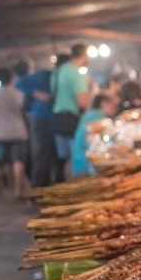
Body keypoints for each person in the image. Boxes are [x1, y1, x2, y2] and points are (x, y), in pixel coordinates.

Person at [16, 56, 63, 188]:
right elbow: (20, 85)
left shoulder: (32, 79)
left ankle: (44, 187)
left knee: (46, 155)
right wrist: (37, 94)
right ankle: (40, 188)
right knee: (46, 155)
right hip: (45, 119)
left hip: (42, 119)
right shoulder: (42, 75)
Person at [0, 68, 29, 198]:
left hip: (1, 133)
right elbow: (25, 114)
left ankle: (5, 186)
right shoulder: (19, 94)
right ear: (11, 78)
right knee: (18, 160)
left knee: (5, 160)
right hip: (19, 131)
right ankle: (18, 189)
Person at [52, 44, 90, 182]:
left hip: (57, 117)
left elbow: (53, 93)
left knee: (64, 158)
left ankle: (65, 185)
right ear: (84, 55)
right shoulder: (77, 73)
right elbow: (82, 101)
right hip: (71, 118)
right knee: (76, 155)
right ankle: (75, 185)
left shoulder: (58, 71)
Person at [71, 94, 117, 177]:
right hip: (87, 162)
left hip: (77, 159)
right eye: (112, 106)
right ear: (104, 104)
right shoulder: (99, 117)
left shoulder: (89, 114)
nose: (114, 109)